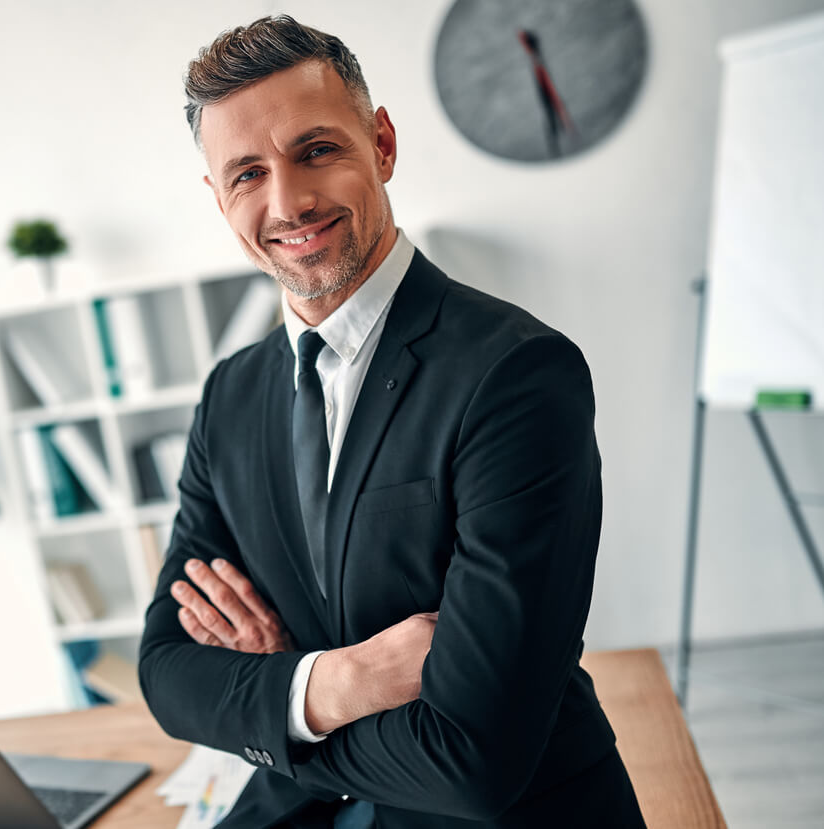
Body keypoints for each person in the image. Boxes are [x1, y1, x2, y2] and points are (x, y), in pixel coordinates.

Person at [136, 14, 647, 829]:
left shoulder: (515, 374)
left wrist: (271, 699)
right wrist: (330, 684)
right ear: (217, 197)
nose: (289, 201)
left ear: (381, 144)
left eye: (316, 151)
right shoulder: (229, 397)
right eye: (247, 174)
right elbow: (166, 670)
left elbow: (474, 758)